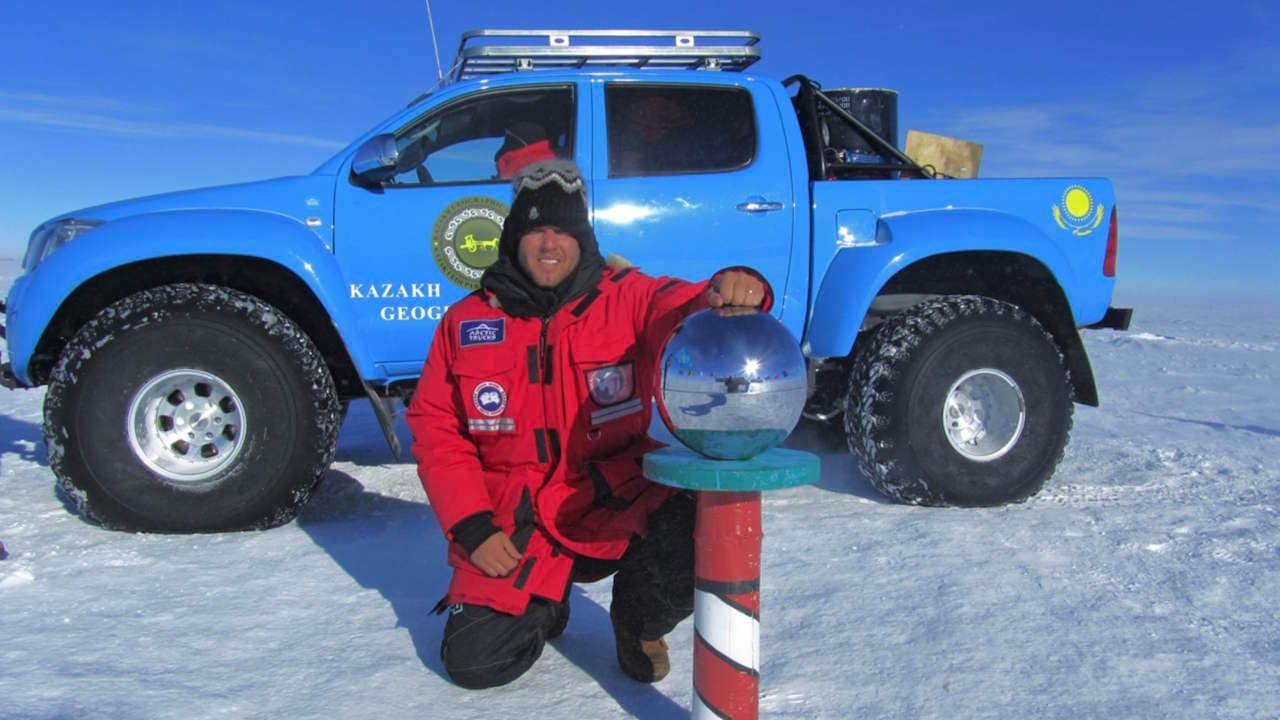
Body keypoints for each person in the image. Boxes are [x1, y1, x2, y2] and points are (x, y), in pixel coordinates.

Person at [406, 159, 769, 690]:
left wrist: (732, 287)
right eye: (535, 230)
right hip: (517, 517)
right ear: (514, 238)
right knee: (476, 664)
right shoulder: (466, 322)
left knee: (700, 516)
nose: (549, 244)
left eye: (564, 231)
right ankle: (545, 601)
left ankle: (636, 621)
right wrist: (472, 526)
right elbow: (437, 430)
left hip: (616, 495)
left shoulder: (628, 297)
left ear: (584, 239)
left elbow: (688, 305)